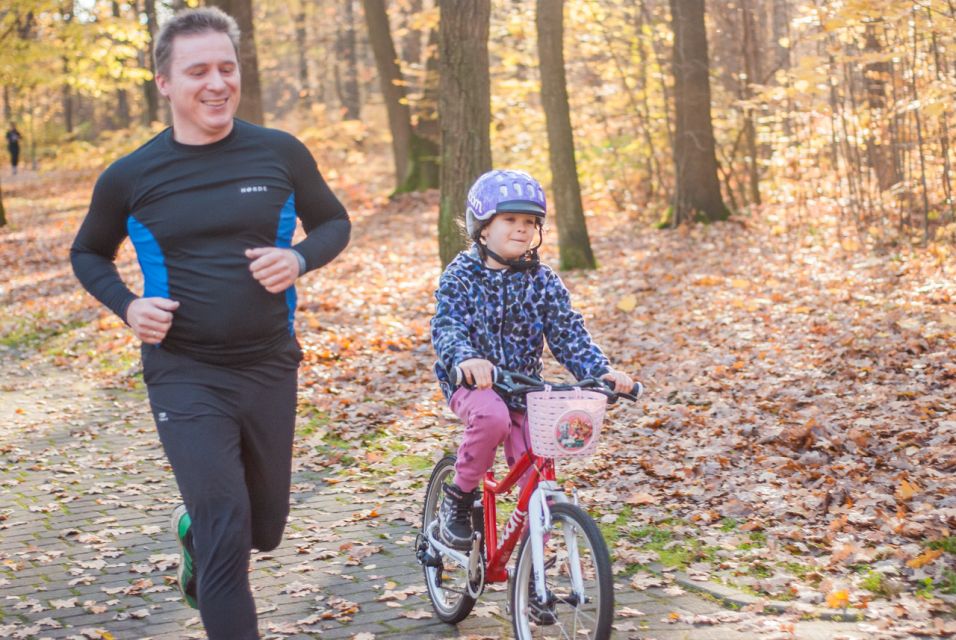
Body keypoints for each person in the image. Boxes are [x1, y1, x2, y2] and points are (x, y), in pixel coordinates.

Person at [70, 7, 350, 639]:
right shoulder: (131, 176)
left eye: (228, 67)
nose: (217, 83)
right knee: (229, 532)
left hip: (269, 362)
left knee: (265, 527)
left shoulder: (278, 152)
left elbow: (335, 222)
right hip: (183, 370)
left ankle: (194, 530)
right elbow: (88, 251)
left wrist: (299, 257)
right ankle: (210, 532)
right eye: (198, 71)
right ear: (164, 82)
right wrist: (128, 306)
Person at [430, 169, 634, 550]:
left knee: (537, 464)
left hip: (525, 386)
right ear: (483, 228)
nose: (522, 229)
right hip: (473, 383)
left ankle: (532, 563)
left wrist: (599, 372)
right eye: (510, 220)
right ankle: (458, 499)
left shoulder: (542, 280)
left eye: (530, 222)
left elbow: (568, 332)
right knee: (492, 417)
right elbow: (447, 325)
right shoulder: (461, 275)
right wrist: (467, 358)